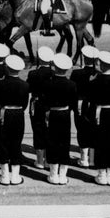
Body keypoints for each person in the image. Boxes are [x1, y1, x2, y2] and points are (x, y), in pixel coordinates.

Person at [88, 51, 110, 185]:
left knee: (100, 143)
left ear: (102, 65)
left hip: (100, 113)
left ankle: (102, 174)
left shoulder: (95, 82)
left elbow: (91, 99)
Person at [0, 55, 29, 185]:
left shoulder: (0, 83)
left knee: (2, 143)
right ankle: (15, 176)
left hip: (4, 113)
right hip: (18, 114)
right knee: (16, 143)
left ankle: (4, 175)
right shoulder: (25, 85)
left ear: (7, 68)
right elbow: (25, 104)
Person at [42, 53, 77, 185]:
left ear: (55, 67)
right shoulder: (72, 84)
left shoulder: (48, 83)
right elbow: (73, 103)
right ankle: (63, 175)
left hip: (52, 114)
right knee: (64, 143)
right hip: (65, 114)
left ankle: (53, 174)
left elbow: (44, 102)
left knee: (52, 143)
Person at [70, 45, 98, 168]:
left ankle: (83, 159)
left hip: (80, 104)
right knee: (93, 131)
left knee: (81, 130)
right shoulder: (98, 73)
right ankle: (91, 159)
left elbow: (73, 90)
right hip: (94, 105)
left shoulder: (76, 73)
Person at [27, 46, 55, 170]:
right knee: (50, 132)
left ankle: (39, 160)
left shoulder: (33, 73)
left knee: (38, 130)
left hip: (37, 104)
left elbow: (29, 88)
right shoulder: (54, 73)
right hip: (50, 105)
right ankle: (49, 159)